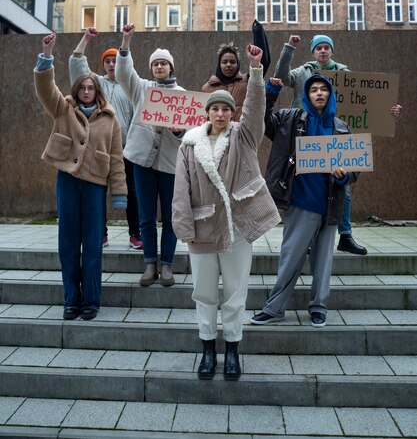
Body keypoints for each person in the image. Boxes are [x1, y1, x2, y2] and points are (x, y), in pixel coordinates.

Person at [172, 45, 281, 380]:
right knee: (204, 292)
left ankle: (232, 349)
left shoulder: (244, 137)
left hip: (238, 227)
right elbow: (180, 189)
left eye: (225, 109)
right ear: (207, 112)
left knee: (235, 292)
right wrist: (183, 226)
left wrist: (257, 71)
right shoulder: (189, 144)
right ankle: (207, 349)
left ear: (232, 113)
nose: (220, 113)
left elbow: (255, 106)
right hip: (203, 229)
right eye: (215, 108)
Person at [274, 34, 401, 256]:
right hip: (306, 135)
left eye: (326, 48)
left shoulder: (346, 76)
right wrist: (289, 48)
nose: (323, 51)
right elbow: (281, 76)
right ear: (313, 52)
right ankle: (309, 237)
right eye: (319, 48)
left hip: (336, 136)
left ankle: (346, 235)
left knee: (342, 187)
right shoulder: (302, 72)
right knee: (305, 187)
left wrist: (389, 112)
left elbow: (368, 102)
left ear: (332, 51)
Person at [251, 73, 358, 328]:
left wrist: (344, 177)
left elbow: (354, 170)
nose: (319, 93)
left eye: (324, 90)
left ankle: (319, 308)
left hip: (330, 204)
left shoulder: (342, 128)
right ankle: (275, 308)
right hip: (301, 202)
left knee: (324, 260)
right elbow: (261, 120)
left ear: (330, 95)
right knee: (291, 257)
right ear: (307, 96)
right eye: (314, 90)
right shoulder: (290, 119)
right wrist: (271, 93)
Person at [34, 33, 127, 320]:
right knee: (68, 243)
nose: (87, 90)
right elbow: (45, 87)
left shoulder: (110, 119)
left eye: (91, 87)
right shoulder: (63, 107)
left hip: (96, 185)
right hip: (68, 181)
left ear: (98, 91)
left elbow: (116, 158)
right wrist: (46, 56)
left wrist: (120, 192)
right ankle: (71, 300)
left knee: (93, 244)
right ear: (77, 89)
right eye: (83, 87)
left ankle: (91, 301)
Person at [115, 24, 184, 287]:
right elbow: (123, 73)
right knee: (145, 216)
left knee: (170, 217)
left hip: (169, 166)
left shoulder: (183, 97)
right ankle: (149, 263)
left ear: (171, 68)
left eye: (164, 64)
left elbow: (189, 133)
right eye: (155, 64)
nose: (159, 68)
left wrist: (178, 132)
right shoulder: (141, 88)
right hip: (142, 163)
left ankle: (166, 264)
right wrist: (126, 41)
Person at [69, 28, 141, 250]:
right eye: (108, 61)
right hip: (97, 149)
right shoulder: (96, 83)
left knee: (132, 192)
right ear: (103, 65)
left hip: (126, 149)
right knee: (96, 191)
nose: (111, 64)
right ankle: (100, 234)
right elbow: (76, 64)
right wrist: (86, 39)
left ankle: (135, 235)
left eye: (115, 61)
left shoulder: (131, 85)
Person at [201, 42, 248, 121]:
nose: (228, 65)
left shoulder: (247, 82)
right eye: (224, 62)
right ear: (219, 65)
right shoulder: (207, 88)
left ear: (238, 64)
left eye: (232, 62)